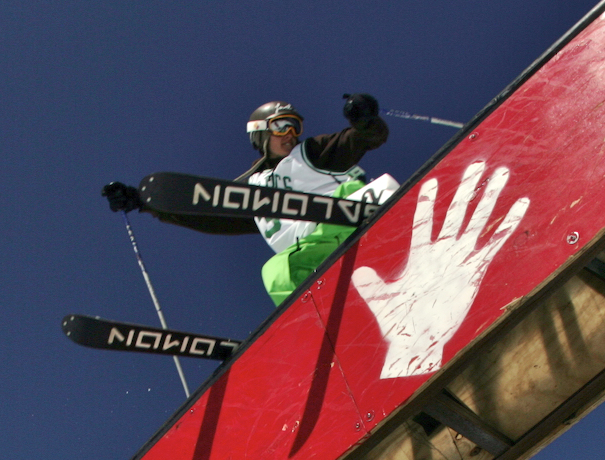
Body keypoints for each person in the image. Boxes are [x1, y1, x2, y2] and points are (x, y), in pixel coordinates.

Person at [105, 94, 394, 305]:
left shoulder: (310, 153)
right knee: (277, 273)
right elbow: (208, 215)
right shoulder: (250, 190)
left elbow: (359, 140)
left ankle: (393, 223)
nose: (290, 134)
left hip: (349, 216)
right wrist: (147, 204)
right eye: (282, 126)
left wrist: (366, 123)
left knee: (347, 197)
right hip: (317, 249)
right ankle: (324, 319)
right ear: (260, 133)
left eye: (295, 127)